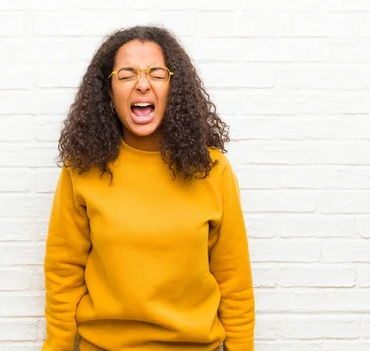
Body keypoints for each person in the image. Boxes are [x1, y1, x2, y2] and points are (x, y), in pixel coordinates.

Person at [43, 25, 254, 351]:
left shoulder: (213, 170)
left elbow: (234, 280)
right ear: (108, 91)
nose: (142, 84)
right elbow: (63, 274)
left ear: (175, 86)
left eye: (156, 73)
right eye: (126, 75)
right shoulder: (82, 169)